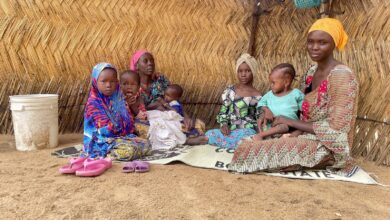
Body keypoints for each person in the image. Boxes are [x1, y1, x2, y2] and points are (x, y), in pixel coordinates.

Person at [229, 18, 359, 177]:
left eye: (322, 42)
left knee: (257, 150)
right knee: (246, 143)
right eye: (310, 42)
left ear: (334, 44)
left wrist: (290, 122)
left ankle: (322, 160)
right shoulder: (311, 73)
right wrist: (289, 129)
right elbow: (303, 114)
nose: (314, 47)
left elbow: (337, 130)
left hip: (327, 146)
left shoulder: (343, 77)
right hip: (302, 133)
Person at [82, 63, 150, 161]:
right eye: (103, 81)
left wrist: (125, 128)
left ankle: (128, 146)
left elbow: (128, 122)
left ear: (117, 82)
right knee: (129, 150)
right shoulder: (94, 103)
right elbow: (105, 131)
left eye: (112, 81)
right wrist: (123, 129)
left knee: (147, 136)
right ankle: (111, 153)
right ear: (95, 82)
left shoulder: (118, 98)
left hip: (121, 136)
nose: (108, 85)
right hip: (102, 141)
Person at [129, 50, 195, 132]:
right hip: (145, 120)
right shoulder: (132, 86)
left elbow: (174, 101)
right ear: (137, 65)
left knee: (191, 126)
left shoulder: (161, 80)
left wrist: (186, 117)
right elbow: (131, 108)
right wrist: (154, 106)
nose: (150, 63)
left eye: (152, 61)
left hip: (167, 118)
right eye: (145, 61)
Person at [205, 53, 262, 149]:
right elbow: (224, 111)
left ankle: (231, 144)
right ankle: (235, 145)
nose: (243, 74)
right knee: (210, 133)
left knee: (247, 137)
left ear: (253, 72)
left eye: (247, 71)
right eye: (240, 71)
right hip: (230, 130)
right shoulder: (230, 91)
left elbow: (259, 118)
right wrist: (223, 124)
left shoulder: (257, 96)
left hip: (246, 130)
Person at [253, 63, 304, 140]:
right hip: (271, 126)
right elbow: (261, 104)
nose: (271, 85)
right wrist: (266, 110)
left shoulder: (296, 94)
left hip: (288, 126)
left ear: (286, 82)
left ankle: (262, 135)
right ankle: (262, 134)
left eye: (273, 82)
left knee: (284, 127)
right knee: (260, 120)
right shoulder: (269, 94)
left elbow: (304, 111)